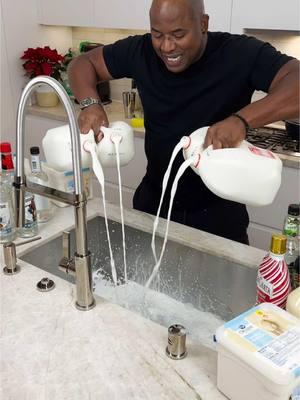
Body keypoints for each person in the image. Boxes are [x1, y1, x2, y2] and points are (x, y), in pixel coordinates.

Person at [68, 0, 299, 244]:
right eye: (157, 35)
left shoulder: (239, 53)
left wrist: (241, 120)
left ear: (203, 23)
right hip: (154, 203)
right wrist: (90, 103)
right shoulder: (140, 51)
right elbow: (83, 63)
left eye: (178, 34)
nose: (167, 46)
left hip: (218, 215)